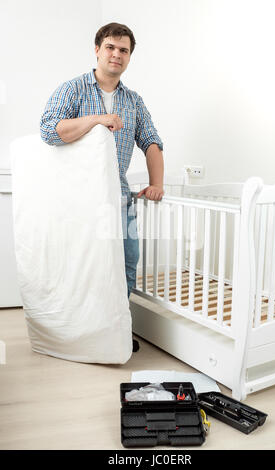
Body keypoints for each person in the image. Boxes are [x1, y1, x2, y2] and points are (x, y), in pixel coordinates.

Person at [40, 22, 164, 353]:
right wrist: (96, 119)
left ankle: (117, 330)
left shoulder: (133, 101)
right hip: (78, 199)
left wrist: (156, 183)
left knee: (126, 262)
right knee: (82, 266)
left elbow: (151, 141)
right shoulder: (74, 89)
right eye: (110, 47)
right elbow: (50, 131)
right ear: (97, 49)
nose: (116, 54)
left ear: (129, 57)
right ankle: (80, 333)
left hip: (118, 198)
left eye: (123, 50)